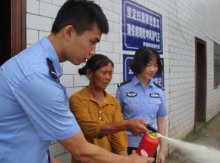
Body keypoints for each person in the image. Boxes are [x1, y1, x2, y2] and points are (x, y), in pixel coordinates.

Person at [0, 0, 154, 163]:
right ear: (69, 32)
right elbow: (82, 151)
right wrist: (130, 161)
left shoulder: (38, 65)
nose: (93, 51)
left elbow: (25, 134)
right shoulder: (37, 76)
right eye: (92, 41)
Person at [116, 47, 168, 163]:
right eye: (148, 65)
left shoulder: (159, 91)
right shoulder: (123, 89)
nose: (152, 70)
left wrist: (162, 150)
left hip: (150, 145)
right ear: (139, 64)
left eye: (155, 65)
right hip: (127, 145)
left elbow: (161, 120)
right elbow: (116, 120)